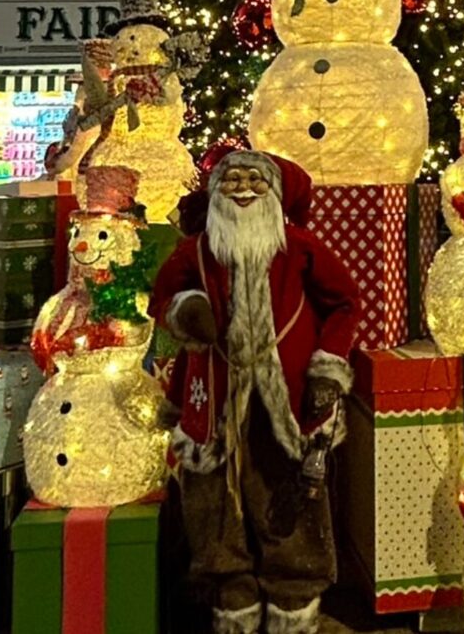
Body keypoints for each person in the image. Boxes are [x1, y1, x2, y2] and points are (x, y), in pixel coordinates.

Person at [150, 150, 360, 634]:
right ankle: (232, 598)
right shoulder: (196, 251)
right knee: (213, 500)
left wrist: (327, 367)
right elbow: (162, 298)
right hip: (213, 397)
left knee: (289, 497)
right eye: (232, 180)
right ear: (215, 192)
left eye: (255, 180)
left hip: (286, 399)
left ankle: (293, 602)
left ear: (276, 193)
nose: (243, 189)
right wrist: (186, 309)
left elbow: (344, 302)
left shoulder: (300, 248)